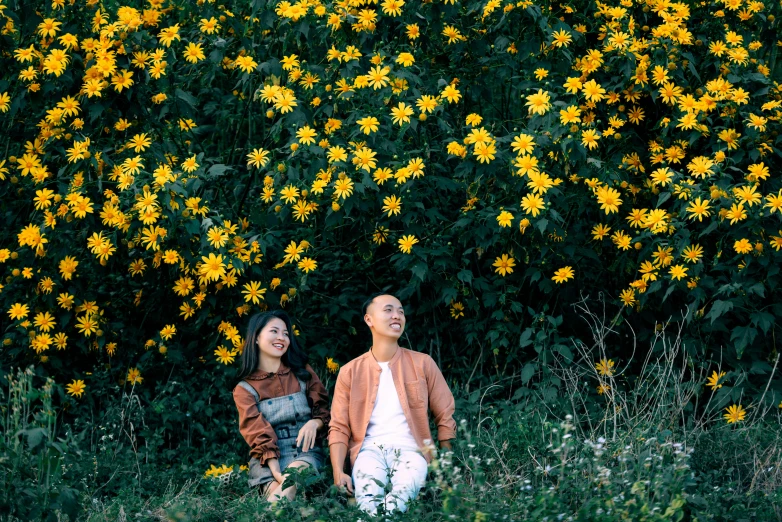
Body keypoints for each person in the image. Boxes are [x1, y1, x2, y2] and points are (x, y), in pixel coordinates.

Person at [328, 293, 457, 515]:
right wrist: (339, 472)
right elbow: (339, 427)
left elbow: (445, 414)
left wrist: (445, 466)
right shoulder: (350, 372)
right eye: (388, 310)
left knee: (402, 494)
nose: (397, 315)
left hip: (412, 450)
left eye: (400, 311)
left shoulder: (423, 363)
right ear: (369, 319)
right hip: (368, 451)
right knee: (367, 500)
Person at [233, 310, 330, 502]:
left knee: (291, 483)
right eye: (274, 331)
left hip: (304, 452)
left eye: (286, 333)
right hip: (267, 460)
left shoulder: (303, 373)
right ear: (257, 338)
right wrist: (276, 472)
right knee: (282, 499)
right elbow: (255, 431)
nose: (281, 338)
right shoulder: (244, 389)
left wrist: (314, 423)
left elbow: (323, 410)